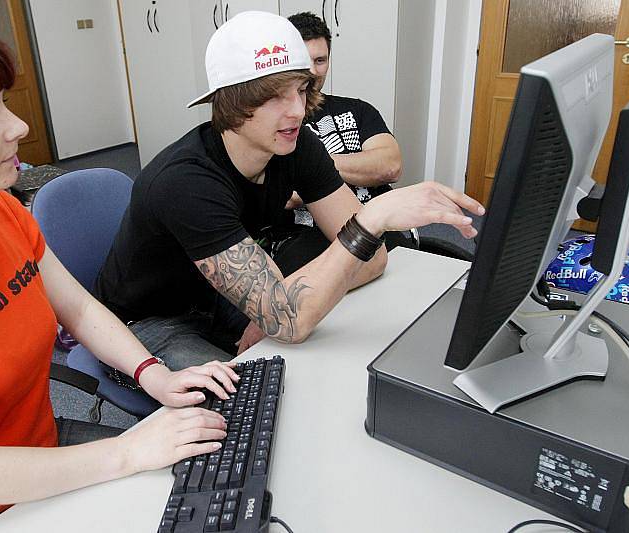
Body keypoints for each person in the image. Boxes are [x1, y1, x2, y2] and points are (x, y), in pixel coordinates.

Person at [0, 11, 237, 533]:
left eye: (3, 107)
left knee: (207, 475)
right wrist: (126, 452)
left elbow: (80, 308)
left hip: (41, 451)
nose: (17, 127)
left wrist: (154, 373)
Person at [94, 11, 484, 363]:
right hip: (145, 323)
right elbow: (296, 314)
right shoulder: (185, 182)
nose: (298, 110)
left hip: (214, 293)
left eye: (300, 90)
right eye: (274, 96)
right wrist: (372, 220)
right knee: (233, 409)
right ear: (232, 103)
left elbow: (374, 259)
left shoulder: (296, 147)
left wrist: (274, 312)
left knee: (320, 359)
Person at [273, 11, 409, 274]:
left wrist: (312, 169)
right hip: (307, 236)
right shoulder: (276, 120)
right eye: (303, 60)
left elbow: (390, 165)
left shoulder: (358, 110)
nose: (312, 71)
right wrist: (360, 169)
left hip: (377, 223)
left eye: (320, 60)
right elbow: (284, 195)